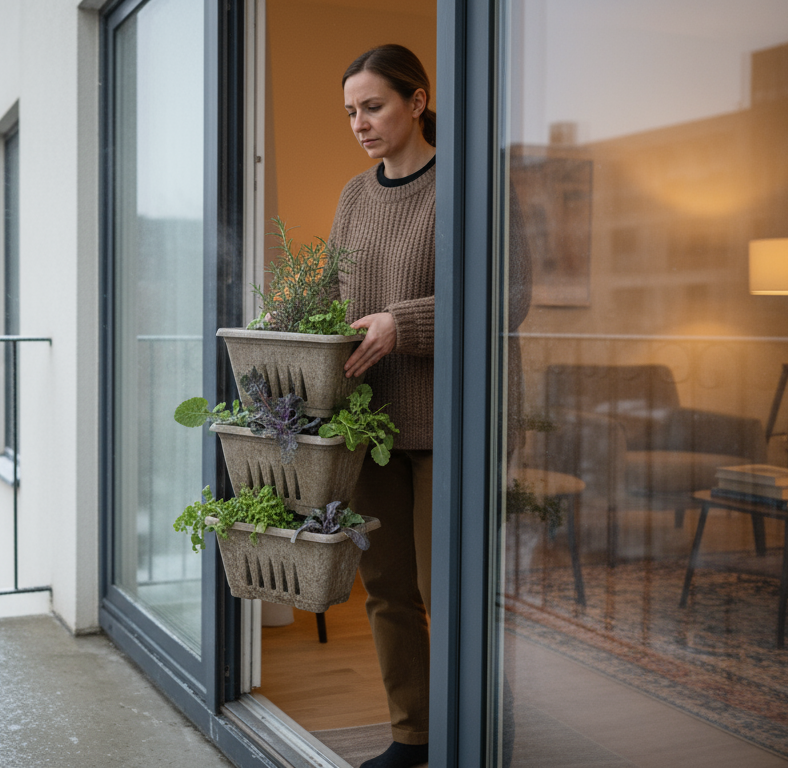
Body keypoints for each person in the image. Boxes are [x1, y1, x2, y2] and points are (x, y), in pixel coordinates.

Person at [331, 43, 438, 768]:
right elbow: (334, 298)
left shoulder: (470, 186)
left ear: (416, 101)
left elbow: (511, 298)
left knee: (455, 591)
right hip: (371, 426)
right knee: (388, 590)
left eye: (373, 106)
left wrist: (407, 322)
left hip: (448, 422)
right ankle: (413, 738)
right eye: (350, 112)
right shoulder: (353, 195)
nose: (361, 123)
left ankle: (480, 728)